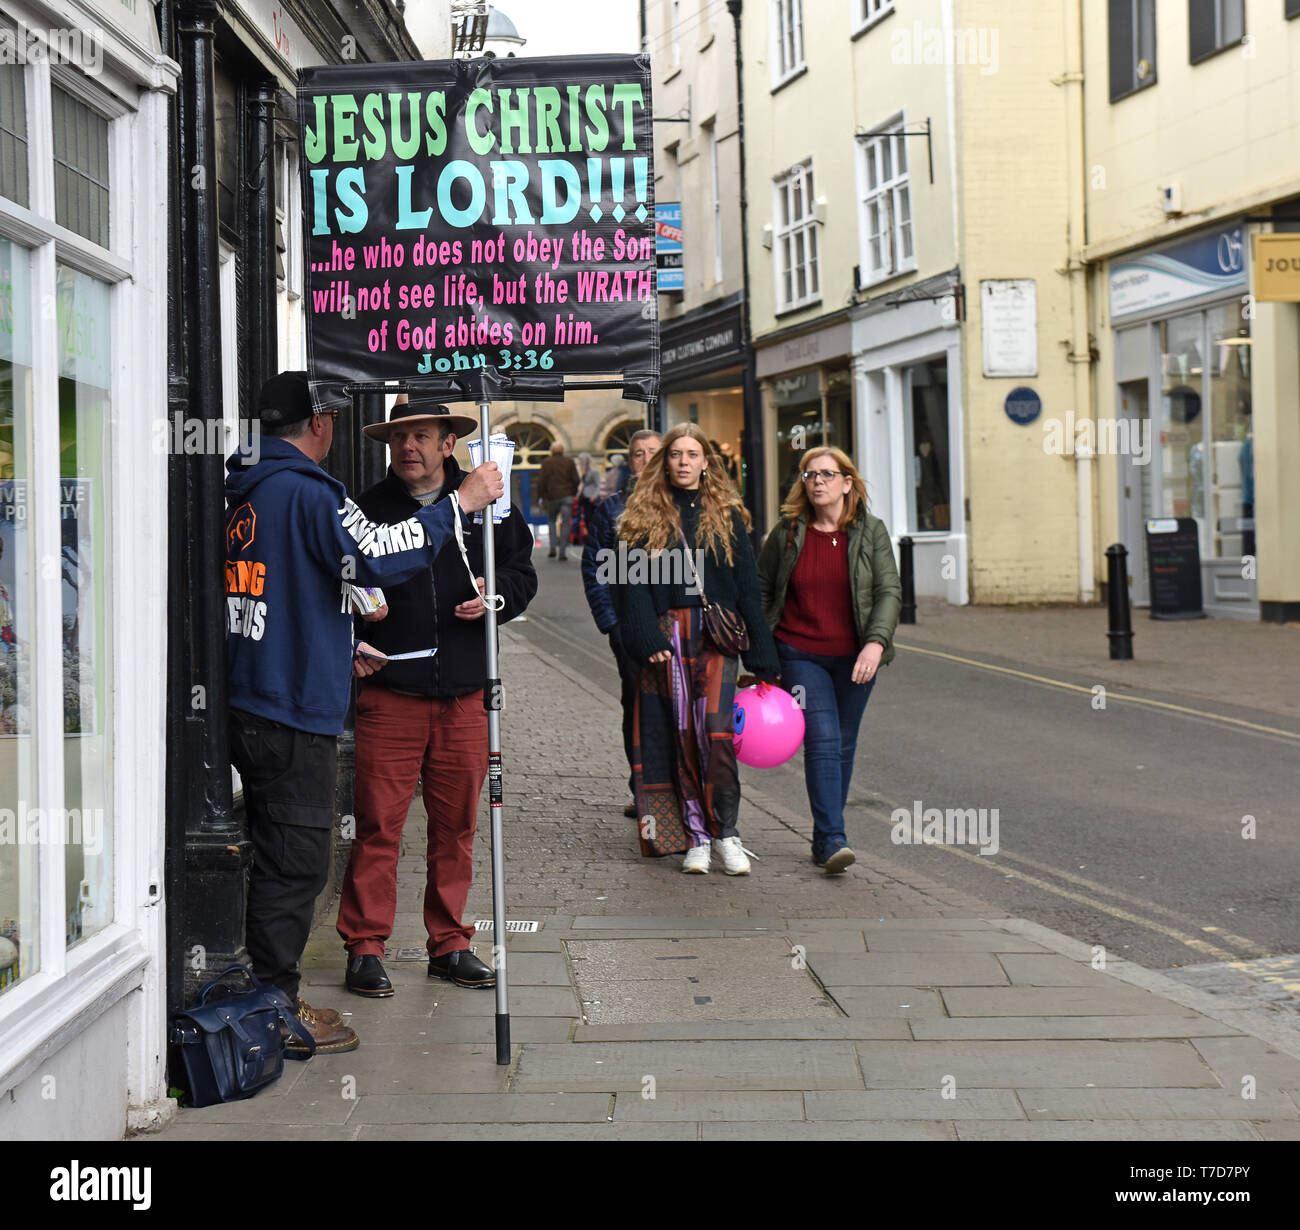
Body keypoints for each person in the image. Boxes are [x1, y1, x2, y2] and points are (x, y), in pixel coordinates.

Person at [225, 372, 503, 1052]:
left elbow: (299, 585)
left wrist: (346, 636)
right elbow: (377, 556)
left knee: (277, 854)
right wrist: (458, 504)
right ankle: (274, 1009)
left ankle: (274, 991)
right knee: (296, 863)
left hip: (248, 695)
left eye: (421, 435)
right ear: (318, 425)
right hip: (291, 704)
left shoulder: (244, 485)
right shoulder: (313, 493)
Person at [337, 398, 537, 996]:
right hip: (391, 694)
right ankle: (365, 946)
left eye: (421, 437)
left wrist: (496, 602)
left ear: (448, 443)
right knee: (378, 826)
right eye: (399, 439)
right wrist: (354, 627)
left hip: (466, 696)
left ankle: (450, 942)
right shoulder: (366, 510)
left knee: (457, 828)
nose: (408, 449)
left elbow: (522, 574)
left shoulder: (490, 505)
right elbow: (340, 585)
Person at [617, 424, 778, 875]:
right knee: (679, 735)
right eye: (676, 454)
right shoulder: (640, 515)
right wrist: (645, 636)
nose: (684, 462)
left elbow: (748, 589)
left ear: (707, 462)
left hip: (716, 636)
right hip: (668, 635)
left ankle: (727, 831)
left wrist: (763, 657)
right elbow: (628, 585)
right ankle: (696, 837)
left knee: (717, 735)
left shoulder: (727, 516)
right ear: (664, 461)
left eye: (693, 454)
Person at [756, 446, 900, 874]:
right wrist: (764, 647)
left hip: (856, 658)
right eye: (809, 475)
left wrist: (875, 643)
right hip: (800, 654)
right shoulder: (786, 533)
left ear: (847, 483)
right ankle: (835, 837)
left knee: (843, 742)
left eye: (827, 474)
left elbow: (889, 592)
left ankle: (824, 838)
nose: (817, 481)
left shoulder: (870, 531)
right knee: (822, 739)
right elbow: (763, 588)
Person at [580, 428, 660, 818]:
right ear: (631, 462)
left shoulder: (684, 506)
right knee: (638, 707)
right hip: (628, 629)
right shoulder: (611, 509)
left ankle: (679, 788)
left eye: (653, 453)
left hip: (676, 627)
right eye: (638, 454)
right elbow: (595, 568)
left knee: (678, 708)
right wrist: (611, 623)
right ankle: (642, 789)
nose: (646, 460)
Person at [536, 440, 580, 560]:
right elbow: (576, 479)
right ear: (563, 450)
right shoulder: (569, 462)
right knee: (566, 523)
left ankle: (552, 547)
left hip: (552, 497)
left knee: (551, 521)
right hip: (567, 496)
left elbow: (541, 482)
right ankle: (562, 551)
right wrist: (573, 492)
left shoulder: (546, 463)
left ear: (551, 451)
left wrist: (541, 497)